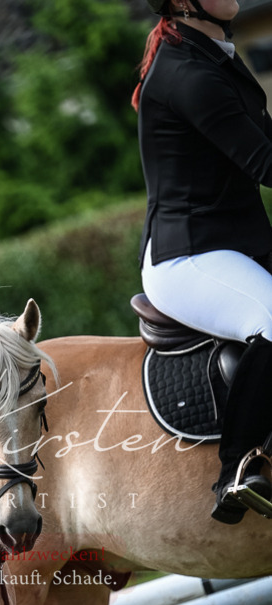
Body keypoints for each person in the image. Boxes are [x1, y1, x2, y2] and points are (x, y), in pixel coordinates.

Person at [134, 0, 272, 523]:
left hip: (238, 239)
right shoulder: (186, 75)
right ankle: (235, 472)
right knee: (271, 320)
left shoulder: (213, 56)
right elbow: (264, 164)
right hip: (190, 257)